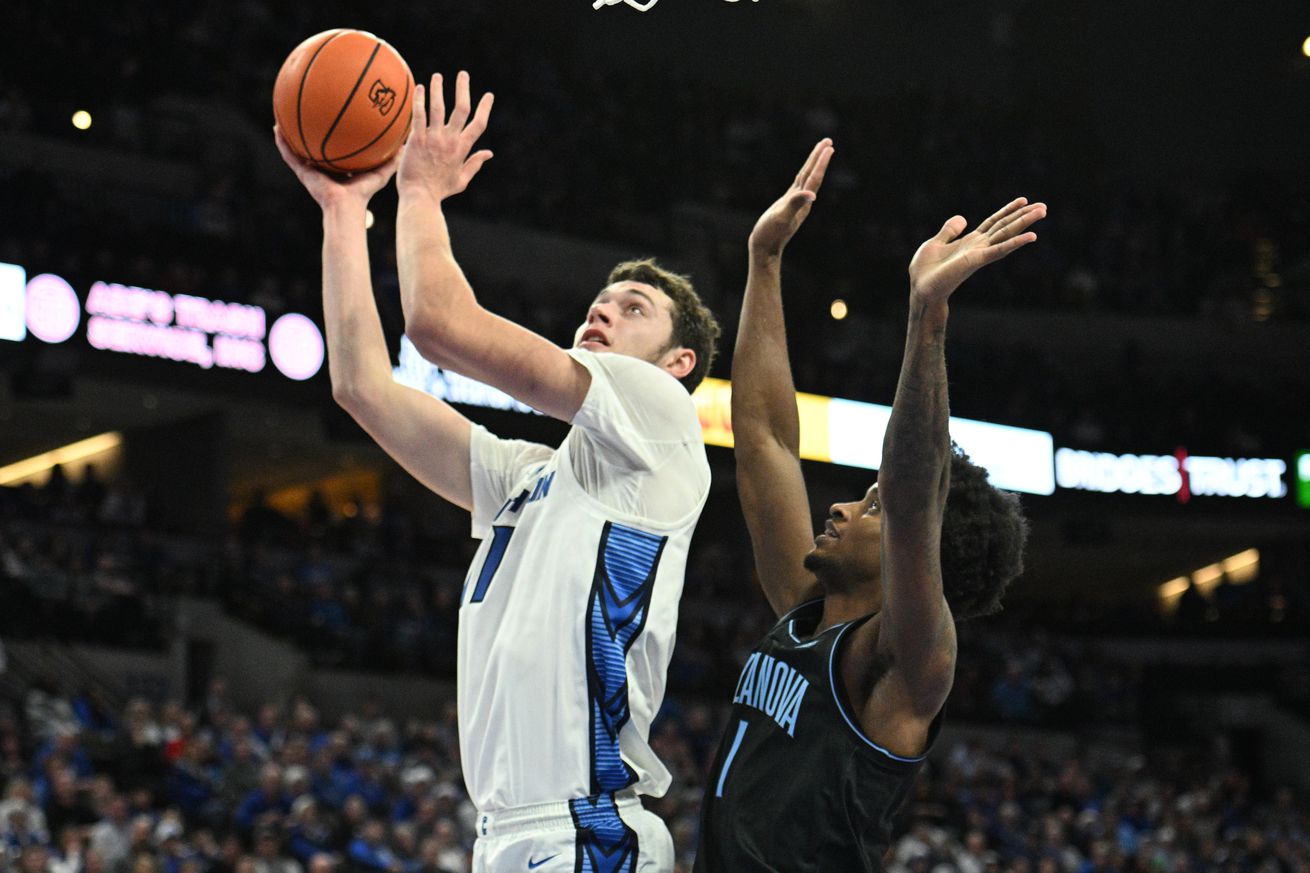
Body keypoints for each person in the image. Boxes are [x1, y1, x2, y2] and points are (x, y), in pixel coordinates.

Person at [274, 68, 720, 873]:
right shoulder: (532, 478)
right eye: (600, 300)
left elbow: (439, 326)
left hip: (587, 831)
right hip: (509, 835)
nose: (602, 311)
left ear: (678, 360)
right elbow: (361, 387)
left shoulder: (661, 417)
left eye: (633, 308)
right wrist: (344, 213)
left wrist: (421, 191)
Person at [694, 140, 1042, 871]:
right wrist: (763, 262)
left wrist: (928, 316)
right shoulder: (804, 606)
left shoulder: (907, 665)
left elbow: (916, 501)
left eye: (870, 506)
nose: (844, 507)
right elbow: (763, 440)